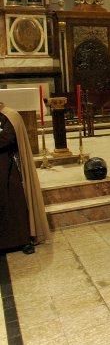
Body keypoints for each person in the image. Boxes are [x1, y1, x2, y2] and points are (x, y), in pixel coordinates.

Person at [0, 103, 50, 253]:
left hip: (7, 167)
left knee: (15, 201)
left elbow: (7, 138)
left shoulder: (9, 115)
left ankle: (22, 239)